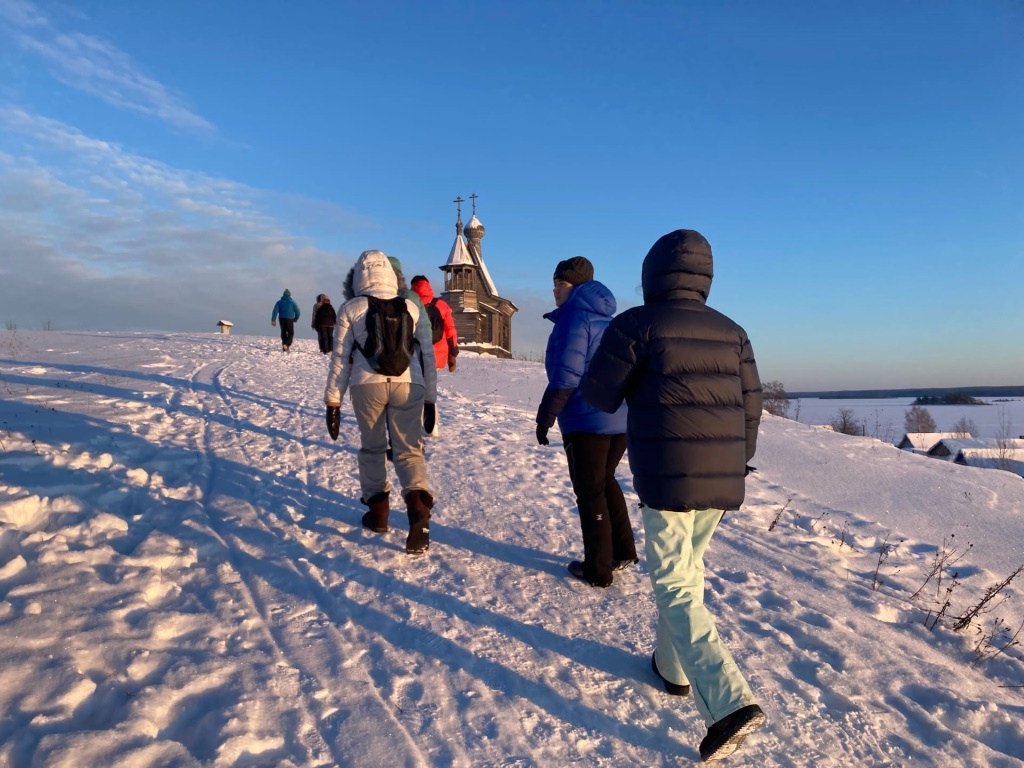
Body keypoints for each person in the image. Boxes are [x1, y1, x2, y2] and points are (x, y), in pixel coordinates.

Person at [581, 230, 765, 762]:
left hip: (666, 475)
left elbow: (598, 393)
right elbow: (751, 409)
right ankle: (673, 668)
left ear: (651, 273)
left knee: (674, 585)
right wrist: (737, 462)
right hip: (725, 475)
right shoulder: (733, 332)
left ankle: (729, 703)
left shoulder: (636, 324)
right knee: (688, 569)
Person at [325, 250, 438, 555]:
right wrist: (430, 399)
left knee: (373, 448)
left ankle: (378, 515)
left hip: (367, 386)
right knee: (409, 451)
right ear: (391, 275)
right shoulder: (411, 308)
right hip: (409, 383)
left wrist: (332, 401)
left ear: (359, 277)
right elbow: (426, 356)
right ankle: (418, 512)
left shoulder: (351, 307)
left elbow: (340, 359)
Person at [535, 256, 635, 588]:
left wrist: (545, 417)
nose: (554, 290)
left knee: (590, 492)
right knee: (605, 482)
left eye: (561, 284)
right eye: (554, 283)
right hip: (616, 419)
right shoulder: (609, 320)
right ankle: (622, 551)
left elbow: (566, 376)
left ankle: (598, 568)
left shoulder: (575, 321)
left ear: (576, 287)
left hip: (585, 421)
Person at [409, 276, 459, 373]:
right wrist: (452, 353)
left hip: (415, 355)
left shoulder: (409, 304)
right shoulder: (442, 305)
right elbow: (451, 331)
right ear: (429, 286)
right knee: (431, 384)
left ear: (413, 287)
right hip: (437, 356)